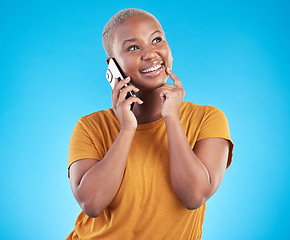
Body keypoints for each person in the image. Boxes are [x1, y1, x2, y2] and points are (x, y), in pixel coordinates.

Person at [67, 8, 234, 240]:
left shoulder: (207, 119)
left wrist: (171, 118)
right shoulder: (90, 127)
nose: (151, 54)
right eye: (133, 47)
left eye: (157, 40)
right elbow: (92, 204)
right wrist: (127, 129)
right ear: (112, 65)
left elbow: (194, 196)